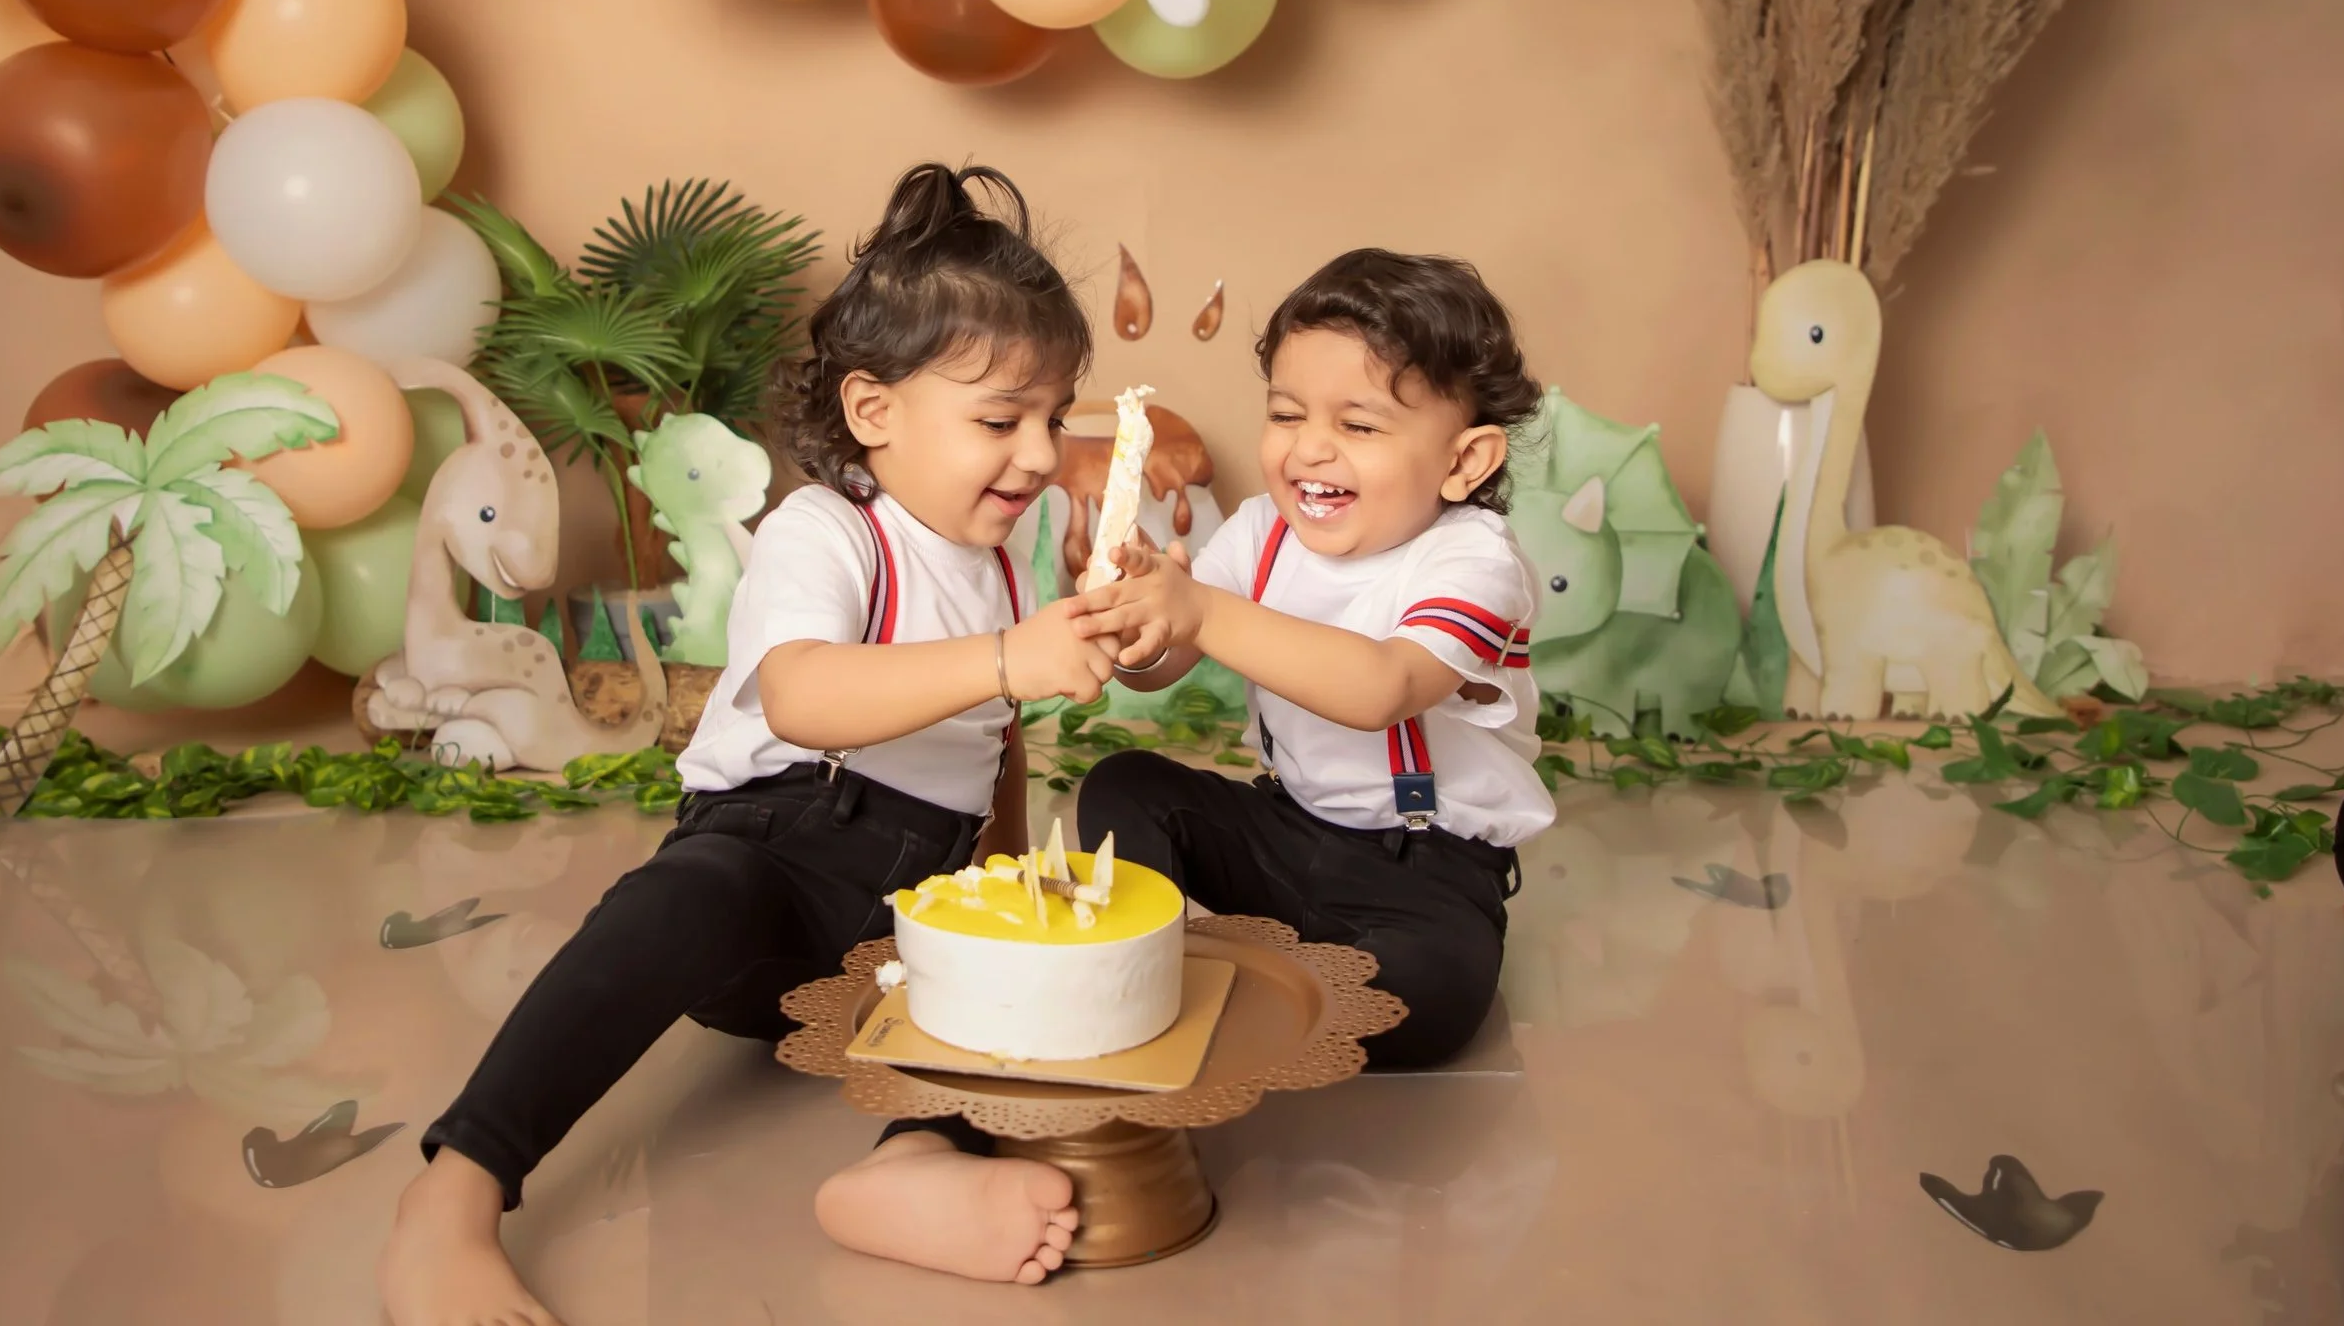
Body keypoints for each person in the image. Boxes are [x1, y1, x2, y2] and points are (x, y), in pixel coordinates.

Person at [380, 164, 1114, 1326]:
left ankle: (906, 1161)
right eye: (999, 420)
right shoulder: (828, 530)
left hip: (908, 897)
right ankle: (459, 1189)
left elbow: (995, 741)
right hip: (779, 846)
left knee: (1009, 991)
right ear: (875, 412)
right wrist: (1008, 659)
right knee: (677, 903)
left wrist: (1009, 880)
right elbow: (802, 695)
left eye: (1051, 418)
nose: (1036, 454)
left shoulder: (991, 566)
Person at [1069, 248, 1550, 1068]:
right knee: (1126, 788)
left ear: (1463, 462)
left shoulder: (1474, 561)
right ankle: (1139, 971)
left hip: (1424, 863)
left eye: (1358, 426)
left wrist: (1202, 610)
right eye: (1287, 415)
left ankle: (1277, 985)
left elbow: (1381, 688)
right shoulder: (1262, 531)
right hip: (1289, 829)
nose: (1310, 450)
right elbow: (1162, 667)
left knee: (1428, 994)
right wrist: (1136, 620)